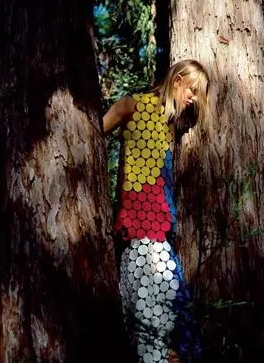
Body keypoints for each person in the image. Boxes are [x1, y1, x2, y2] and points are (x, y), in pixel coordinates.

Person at [102, 59, 210, 363]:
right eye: (192, 90)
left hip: (160, 229)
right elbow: (91, 135)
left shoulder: (168, 127)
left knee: (168, 314)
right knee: (154, 316)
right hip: (139, 230)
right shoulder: (132, 106)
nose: (192, 99)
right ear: (177, 80)